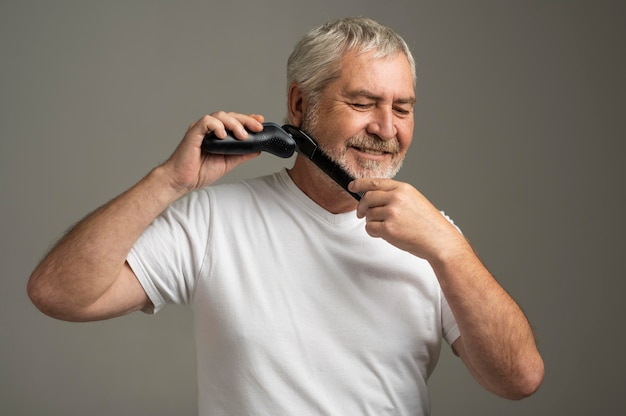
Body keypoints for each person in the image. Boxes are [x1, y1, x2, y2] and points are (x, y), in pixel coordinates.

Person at [28, 17, 544, 415]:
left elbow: (517, 380)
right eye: (364, 103)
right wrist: (170, 180)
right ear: (300, 106)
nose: (387, 128)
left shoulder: (435, 239)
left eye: (402, 108)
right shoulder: (214, 220)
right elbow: (59, 293)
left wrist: (449, 249)